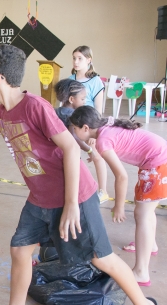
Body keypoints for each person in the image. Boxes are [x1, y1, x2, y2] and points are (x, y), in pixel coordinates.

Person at [0, 44, 158, 305]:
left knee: (101, 258)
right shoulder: (0, 114)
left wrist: (71, 204)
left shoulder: (34, 106)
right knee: (20, 250)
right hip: (40, 198)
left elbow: (71, 149)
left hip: (75, 195)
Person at [69, 106, 167, 288]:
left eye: (74, 129)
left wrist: (119, 206)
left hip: (157, 163)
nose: (73, 133)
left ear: (85, 128)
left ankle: (141, 272)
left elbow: (121, 176)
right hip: (159, 157)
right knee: (147, 210)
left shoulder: (103, 141)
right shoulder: (105, 126)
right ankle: (150, 245)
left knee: (142, 215)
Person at [54, 79, 109, 203]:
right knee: (81, 175)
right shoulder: (72, 115)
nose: (84, 102)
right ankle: (99, 192)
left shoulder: (56, 111)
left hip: (58, 153)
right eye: (83, 99)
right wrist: (89, 149)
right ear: (72, 99)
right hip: (70, 153)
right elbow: (73, 137)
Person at [69, 46, 109, 203]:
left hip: (88, 126)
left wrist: (94, 132)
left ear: (89, 60)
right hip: (73, 125)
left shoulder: (95, 81)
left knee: (97, 157)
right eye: (74, 58)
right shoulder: (69, 80)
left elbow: (98, 109)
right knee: (72, 156)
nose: (76, 61)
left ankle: (103, 191)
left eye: (80, 58)